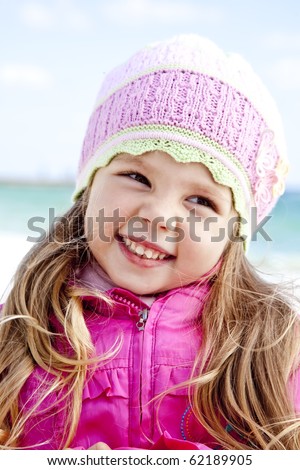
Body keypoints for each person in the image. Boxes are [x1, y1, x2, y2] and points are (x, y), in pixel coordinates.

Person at [0, 34, 299, 451]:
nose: (159, 215)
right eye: (137, 177)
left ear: (233, 229)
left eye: (200, 200)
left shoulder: (272, 349)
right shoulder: (19, 329)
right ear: (91, 182)